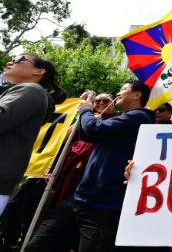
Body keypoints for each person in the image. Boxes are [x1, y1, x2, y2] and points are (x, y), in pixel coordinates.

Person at [26, 80, 155, 252]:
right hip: (80, 198)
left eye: (123, 89)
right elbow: (88, 134)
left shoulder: (139, 117)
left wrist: (86, 109)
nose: (118, 93)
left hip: (104, 206)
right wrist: (90, 116)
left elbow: (93, 130)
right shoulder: (121, 120)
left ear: (137, 95)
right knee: (37, 245)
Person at [0, 54, 65, 228]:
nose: (10, 62)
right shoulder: (14, 91)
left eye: (19, 59)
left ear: (39, 71)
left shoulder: (32, 90)